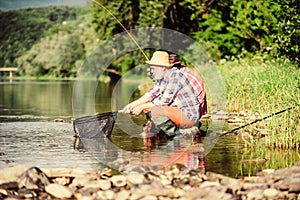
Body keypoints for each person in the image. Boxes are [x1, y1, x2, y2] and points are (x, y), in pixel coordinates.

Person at [123, 51, 200, 137]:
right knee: (148, 108)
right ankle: (157, 133)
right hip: (177, 111)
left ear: (163, 68)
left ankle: (178, 136)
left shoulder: (175, 76)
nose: (152, 71)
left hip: (189, 115)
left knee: (156, 111)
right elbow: (151, 94)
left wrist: (141, 107)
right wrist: (131, 105)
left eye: (153, 68)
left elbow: (162, 102)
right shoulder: (161, 76)